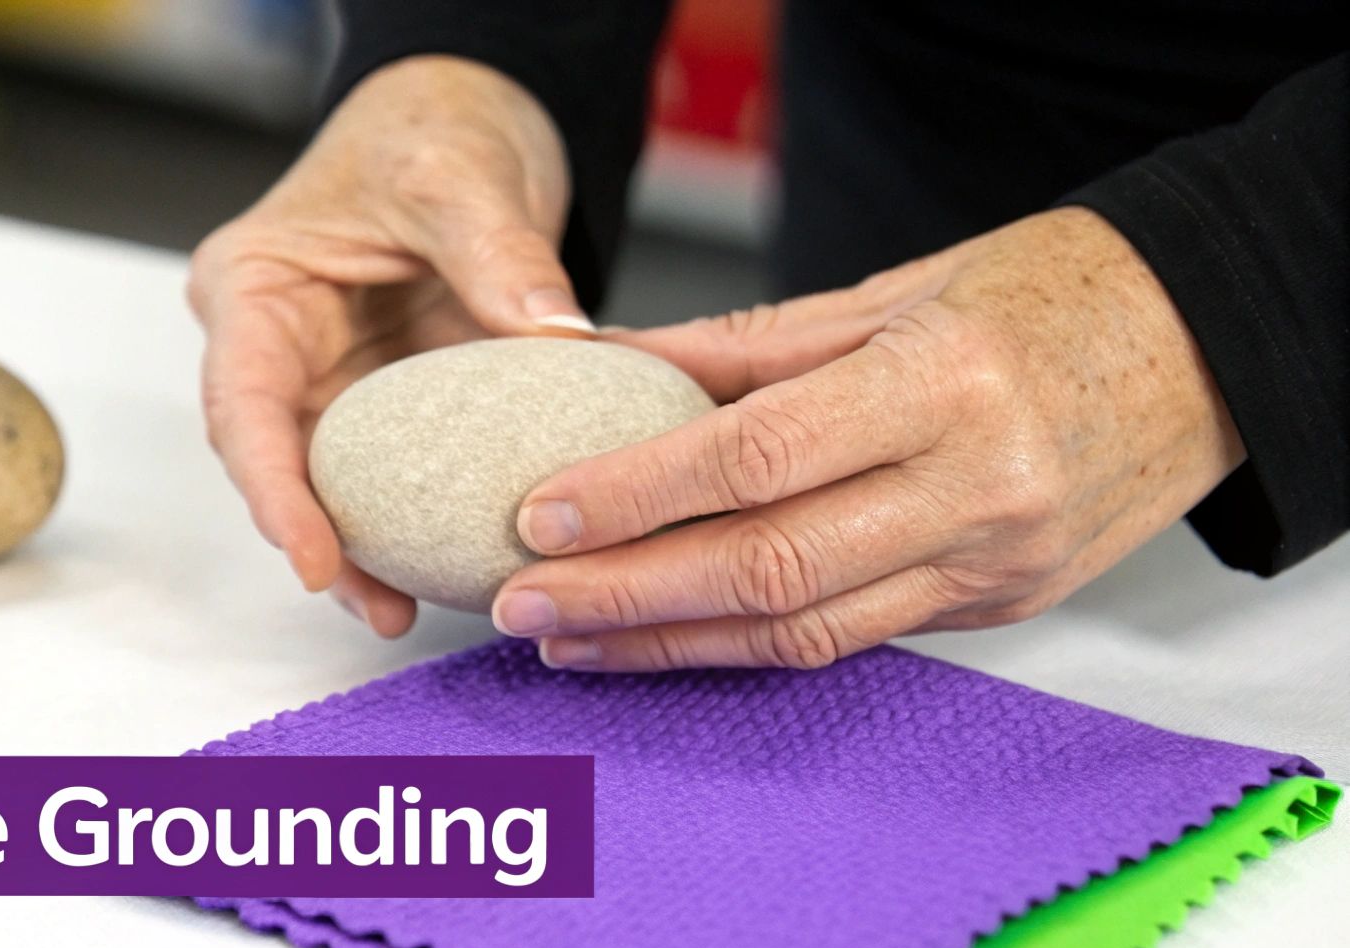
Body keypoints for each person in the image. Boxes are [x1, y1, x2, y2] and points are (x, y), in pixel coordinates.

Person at [189, 2, 1347, 671]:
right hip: (932, 110)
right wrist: (476, 55)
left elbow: (1269, 275)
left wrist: (1249, 281)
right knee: (837, 596)